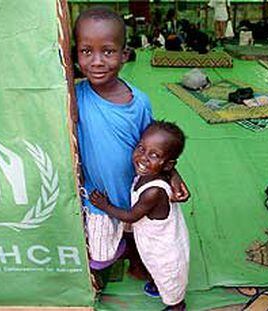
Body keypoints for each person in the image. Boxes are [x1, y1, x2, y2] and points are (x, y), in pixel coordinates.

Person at [73, 6, 189, 286]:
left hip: (138, 193)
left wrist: (172, 175)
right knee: (100, 255)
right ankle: (104, 268)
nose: (97, 61)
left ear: (124, 55)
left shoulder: (138, 103)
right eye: (86, 51)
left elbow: (157, 146)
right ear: (75, 55)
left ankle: (138, 260)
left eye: (108, 51)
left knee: (144, 238)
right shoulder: (73, 97)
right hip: (98, 197)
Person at [89, 121, 189, 311]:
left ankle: (177, 305)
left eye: (154, 155)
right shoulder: (150, 173)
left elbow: (130, 216)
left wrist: (104, 205)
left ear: (168, 165)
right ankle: (157, 284)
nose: (143, 158)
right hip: (153, 239)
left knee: (168, 277)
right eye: (141, 148)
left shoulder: (153, 192)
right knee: (157, 271)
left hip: (164, 248)